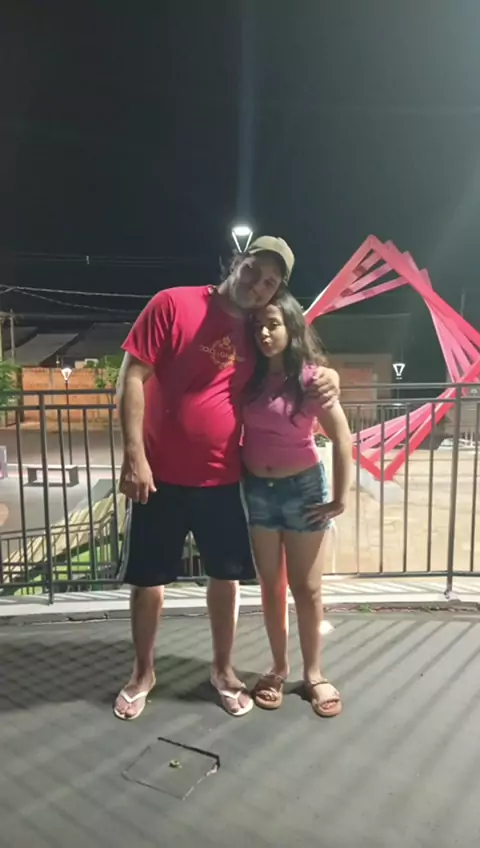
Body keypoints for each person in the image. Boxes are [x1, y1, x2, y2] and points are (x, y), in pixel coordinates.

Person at [113, 236, 341, 720]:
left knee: (225, 577)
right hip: (159, 475)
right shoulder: (172, 304)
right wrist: (134, 456)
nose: (258, 285)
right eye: (254, 270)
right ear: (238, 261)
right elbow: (131, 376)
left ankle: (223, 670)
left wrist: (331, 376)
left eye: (270, 283)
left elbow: (295, 362)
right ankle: (142, 674)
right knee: (149, 582)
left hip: (223, 478)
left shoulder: (258, 330)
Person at [242, 289, 352, 717]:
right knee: (271, 586)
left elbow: (342, 438)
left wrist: (339, 498)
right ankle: (278, 667)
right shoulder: (248, 376)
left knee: (306, 588)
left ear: (291, 327)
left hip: (302, 490)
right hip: (258, 491)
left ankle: (314, 674)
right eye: (258, 326)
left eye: (273, 325)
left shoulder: (310, 379)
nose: (264, 333)